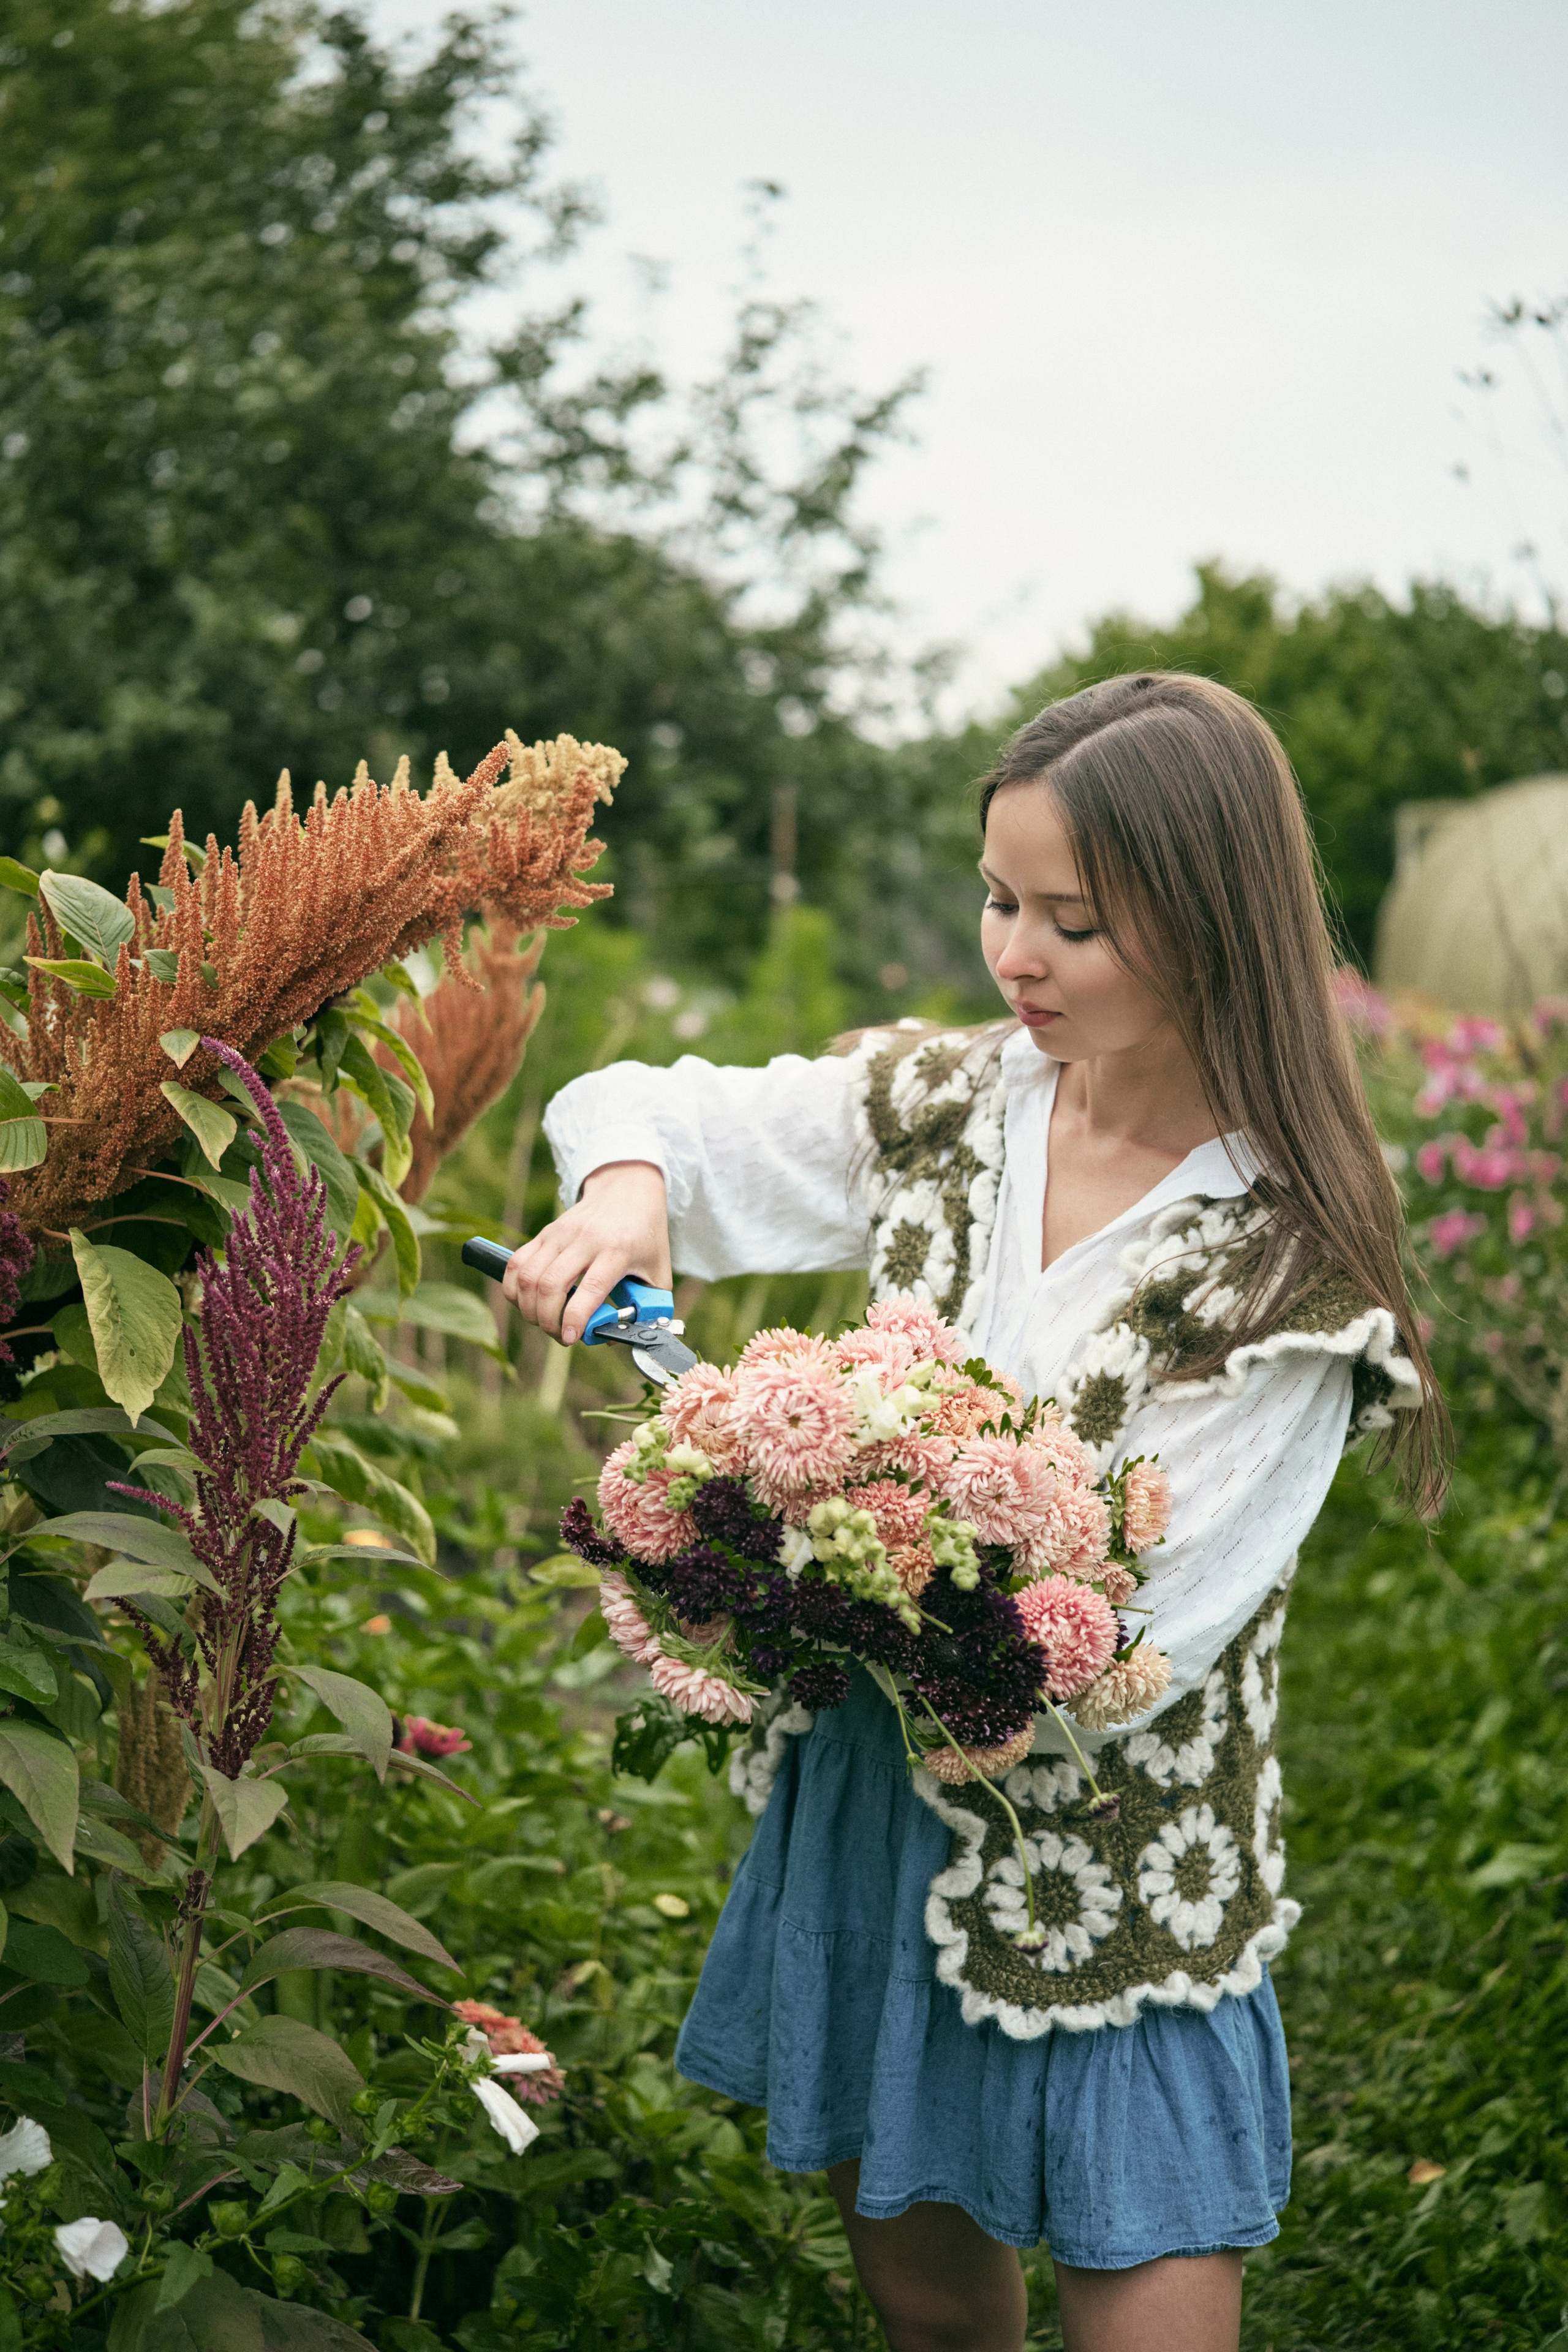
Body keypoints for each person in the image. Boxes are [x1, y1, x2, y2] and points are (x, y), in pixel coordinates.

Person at [501, 673, 1447, 2352]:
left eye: (1071, 923)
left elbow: (1140, 1624)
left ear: (1214, 922)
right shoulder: (959, 1108)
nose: (1014, 954)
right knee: (928, 2295)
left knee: (1147, 2292)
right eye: (1000, 899)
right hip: (881, 1798)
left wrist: (788, 1517)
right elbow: (644, 1102)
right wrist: (631, 1193)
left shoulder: (1282, 1260)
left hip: (1116, 1857)